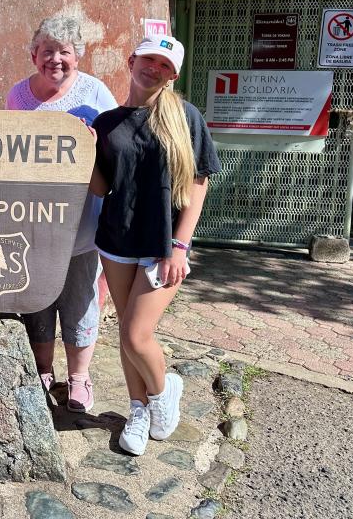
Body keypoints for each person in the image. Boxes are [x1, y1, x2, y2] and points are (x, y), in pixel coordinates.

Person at [89, 34, 221, 456]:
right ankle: (137, 408)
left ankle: (164, 393)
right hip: (116, 240)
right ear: (131, 61)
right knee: (127, 337)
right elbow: (100, 187)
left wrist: (180, 246)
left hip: (164, 244)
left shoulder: (185, 116)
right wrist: (84, 148)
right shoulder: (108, 122)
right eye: (148, 59)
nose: (154, 68)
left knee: (135, 333)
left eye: (164, 65)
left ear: (173, 74)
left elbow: (199, 185)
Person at [5, 14, 117, 413]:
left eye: (64, 52)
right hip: (31, 221)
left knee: (80, 297)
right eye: (47, 51)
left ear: (77, 56)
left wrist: (95, 143)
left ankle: (80, 378)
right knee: (36, 297)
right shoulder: (18, 96)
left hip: (82, 220)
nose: (55, 59)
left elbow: (116, 148)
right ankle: (42, 372)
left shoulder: (96, 92)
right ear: (34, 55)